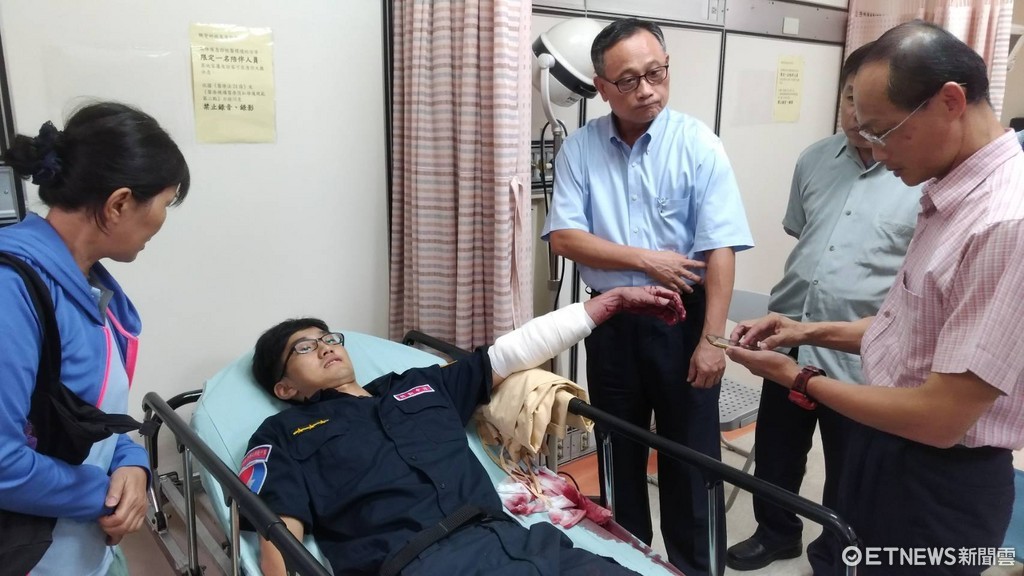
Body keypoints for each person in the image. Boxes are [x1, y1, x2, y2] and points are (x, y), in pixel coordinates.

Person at [726, 21, 1024, 576]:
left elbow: (941, 418)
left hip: (937, 478)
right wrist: (804, 332)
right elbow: (913, 325)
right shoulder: (948, 191)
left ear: (950, 101)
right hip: (890, 446)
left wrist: (799, 377)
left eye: (884, 132)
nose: (877, 152)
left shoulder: (1005, 222)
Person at [244, 286, 685, 576]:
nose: (324, 348)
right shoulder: (283, 434)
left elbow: (509, 354)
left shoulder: (419, 386)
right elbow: (279, 537)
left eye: (328, 338)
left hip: (524, 545)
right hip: (418, 562)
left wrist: (610, 303)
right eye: (304, 348)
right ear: (285, 387)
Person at [541, 17, 753, 575]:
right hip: (612, 320)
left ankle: (696, 568)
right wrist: (644, 259)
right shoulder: (580, 150)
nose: (647, 90)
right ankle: (629, 563)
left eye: (656, 73)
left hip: (684, 321)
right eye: (629, 80)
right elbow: (564, 238)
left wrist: (713, 341)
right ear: (601, 86)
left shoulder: (698, 144)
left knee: (692, 459)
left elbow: (721, 247)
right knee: (618, 451)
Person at [725, 43, 922, 571]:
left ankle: (838, 552)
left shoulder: (916, 174)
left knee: (850, 467)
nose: (857, 115)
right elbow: (804, 236)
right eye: (849, 98)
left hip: (863, 351)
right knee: (777, 453)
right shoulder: (814, 158)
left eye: (868, 103)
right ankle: (776, 533)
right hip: (788, 334)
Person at [0, 102, 190, 575]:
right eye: (165, 204)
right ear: (119, 203)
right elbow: (3, 462)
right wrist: (103, 495)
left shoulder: (84, 284)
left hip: (88, 547)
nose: (162, 222)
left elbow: (83, 414)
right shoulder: (12, 291)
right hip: (35, 556)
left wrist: (130, 461)